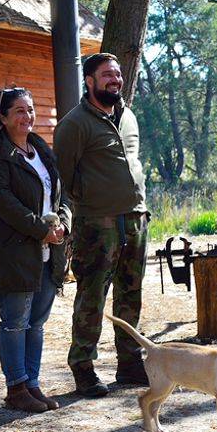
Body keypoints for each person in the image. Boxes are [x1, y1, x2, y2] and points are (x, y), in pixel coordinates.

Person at [54, 53, 151, 398]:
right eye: (106, 75)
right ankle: (83, 366)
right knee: (92, 296)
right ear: (90, 81)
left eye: (117, 74)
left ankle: (129, 363)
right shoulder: (75, 123)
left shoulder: (128, 116)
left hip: (135, 218)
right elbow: (62, 175)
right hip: (96, 224)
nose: (115, 80)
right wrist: (81, 208)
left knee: (131, 293)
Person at [0, 87, 71, 413]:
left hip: (48, 250)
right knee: (15, 321)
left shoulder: (40, 148)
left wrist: (63, 224)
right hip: (14, 250)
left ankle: (31, 383)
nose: (27, 116)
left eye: (30, 110)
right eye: (19, 110)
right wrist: (41, 229)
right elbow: (2, 201)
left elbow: (60, 195)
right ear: (2, 117)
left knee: (37, 322)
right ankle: (15, 387)